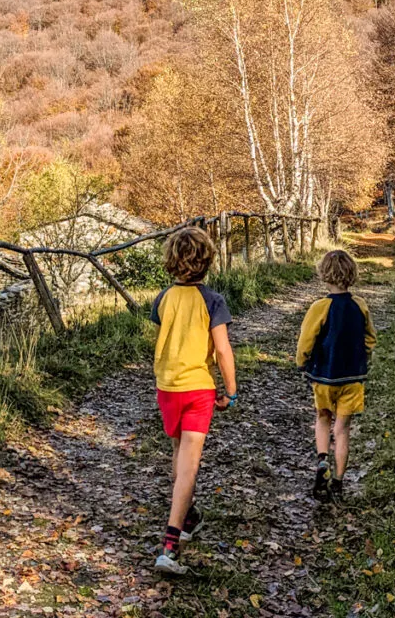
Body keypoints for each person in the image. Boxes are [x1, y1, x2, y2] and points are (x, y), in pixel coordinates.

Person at [150, 226, 237, 574]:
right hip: (198, 387)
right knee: (190, 462)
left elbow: (161, 339)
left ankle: (189, 517)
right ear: (207, 261)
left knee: (178, 454)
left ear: (171, 261)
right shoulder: (212, 301)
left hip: (168, 386)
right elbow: (222, 348)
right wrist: (230, 389)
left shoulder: (163, 299)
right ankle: (170, 544)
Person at [296, 249, 376, 500]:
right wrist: (363, 354)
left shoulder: (320, 307)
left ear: (324, 275)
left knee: (323, 418)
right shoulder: (360, 305)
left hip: (324, 375)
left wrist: (302, 362)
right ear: (352, 274)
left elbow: (306, 341)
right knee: (342, 429)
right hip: (352, 377)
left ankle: (322, 462)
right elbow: (370, 338)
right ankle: (339, 482)